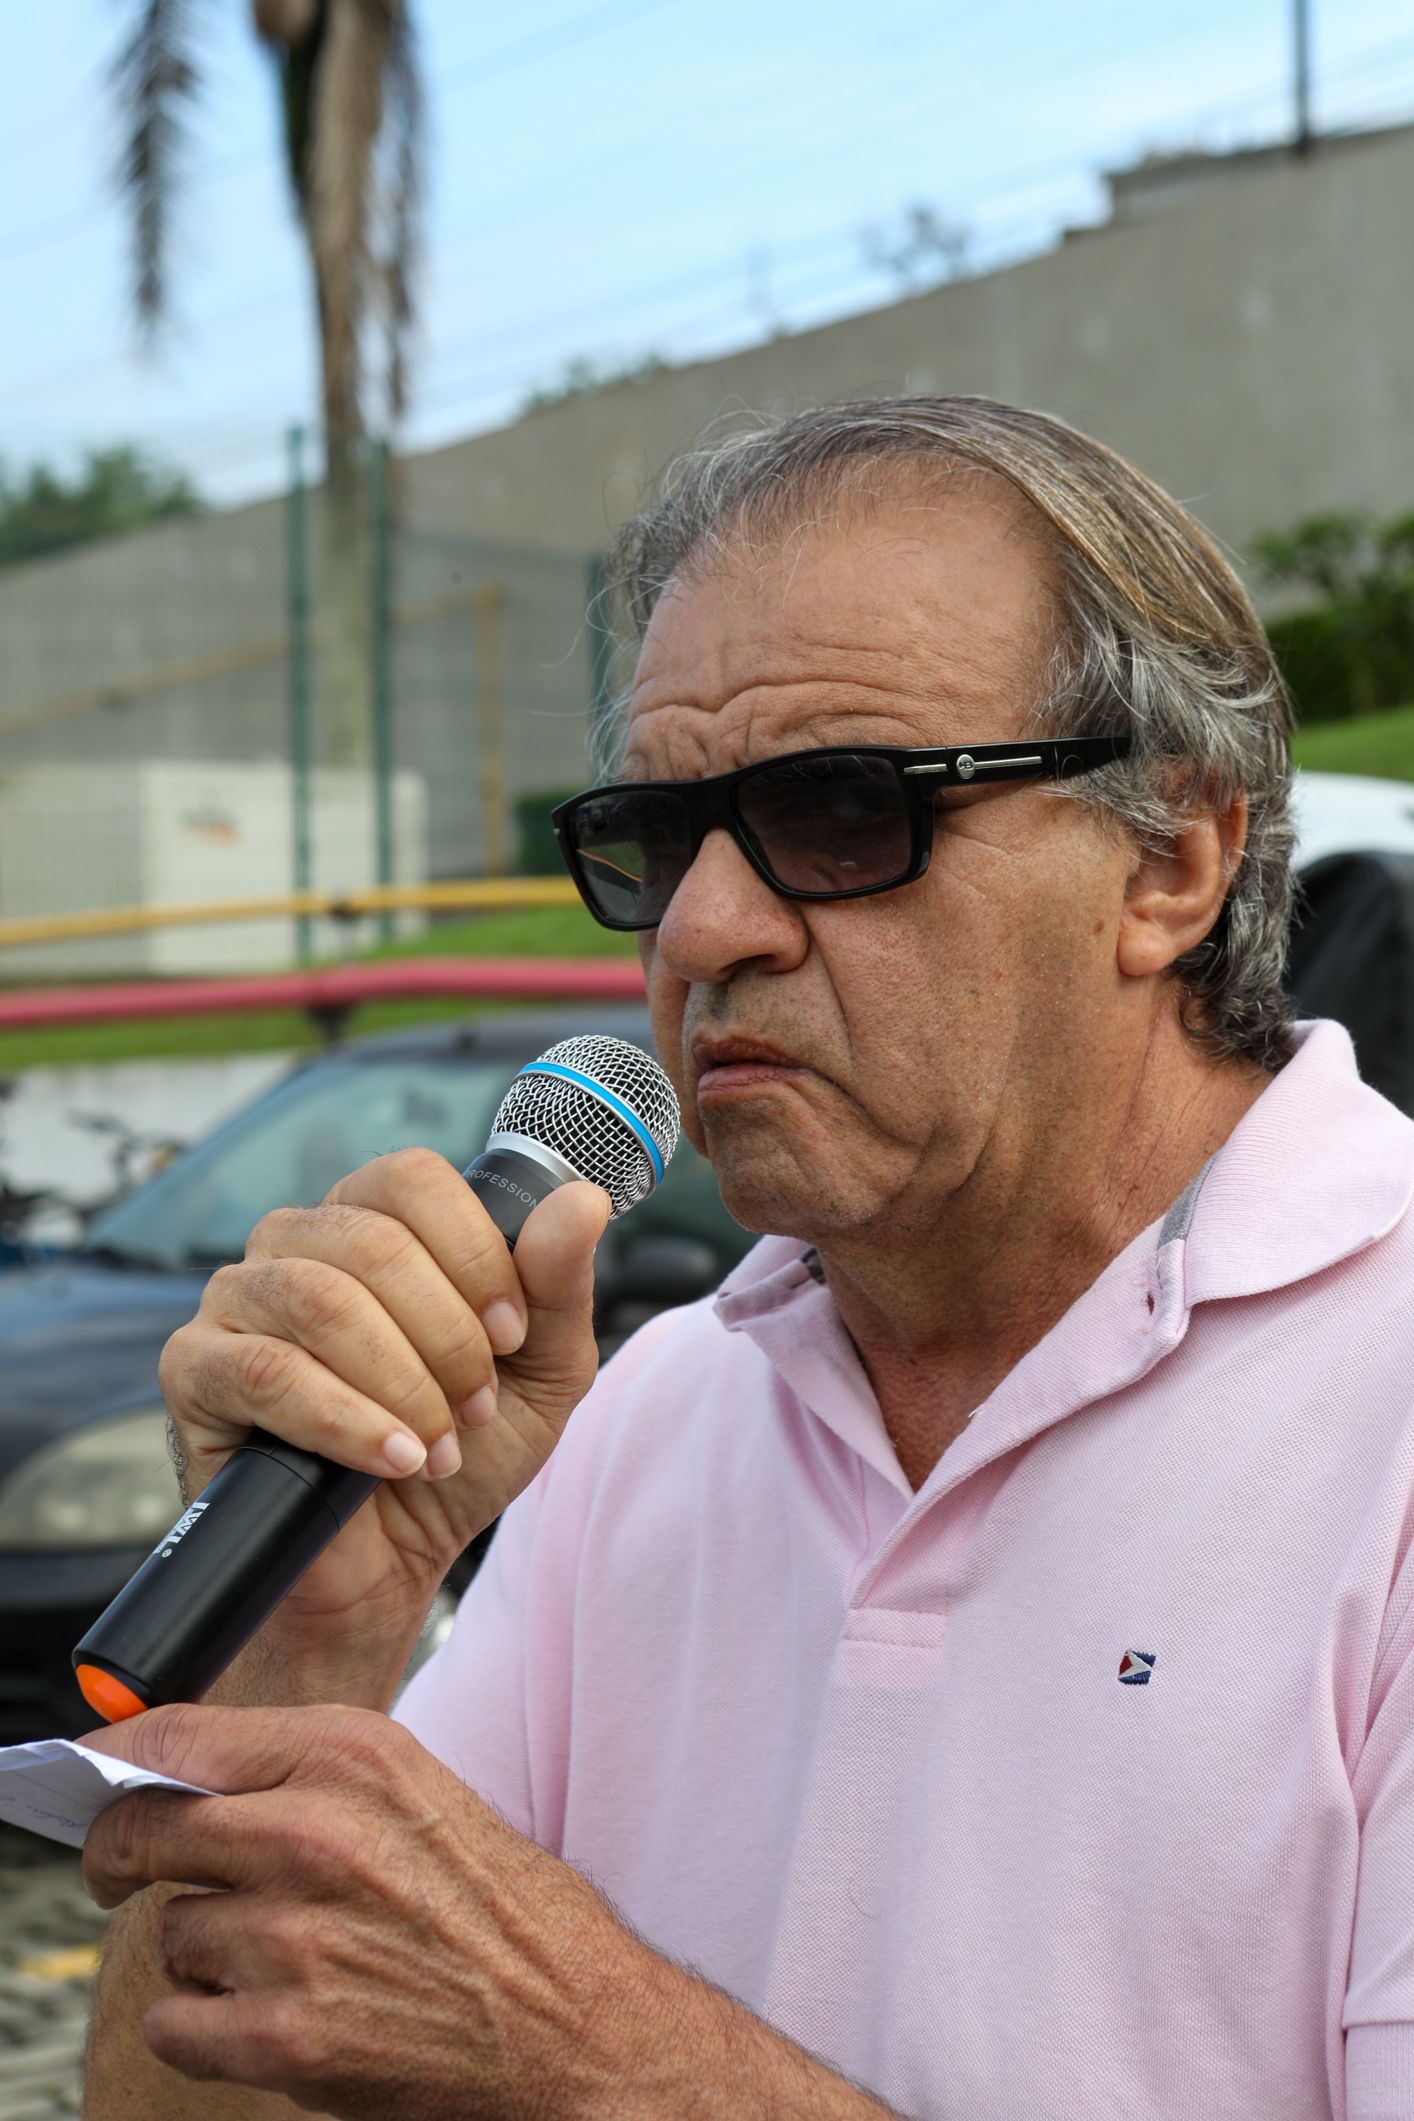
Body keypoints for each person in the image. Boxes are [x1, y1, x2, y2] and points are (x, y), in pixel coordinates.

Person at [80, 398, 1414, 2121]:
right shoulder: (655, 1409)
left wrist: (591, 2052)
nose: (705, 927)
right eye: (657, 836)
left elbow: (542, 2040)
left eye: (843, 812)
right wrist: (300, 1644)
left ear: (1169, 859)